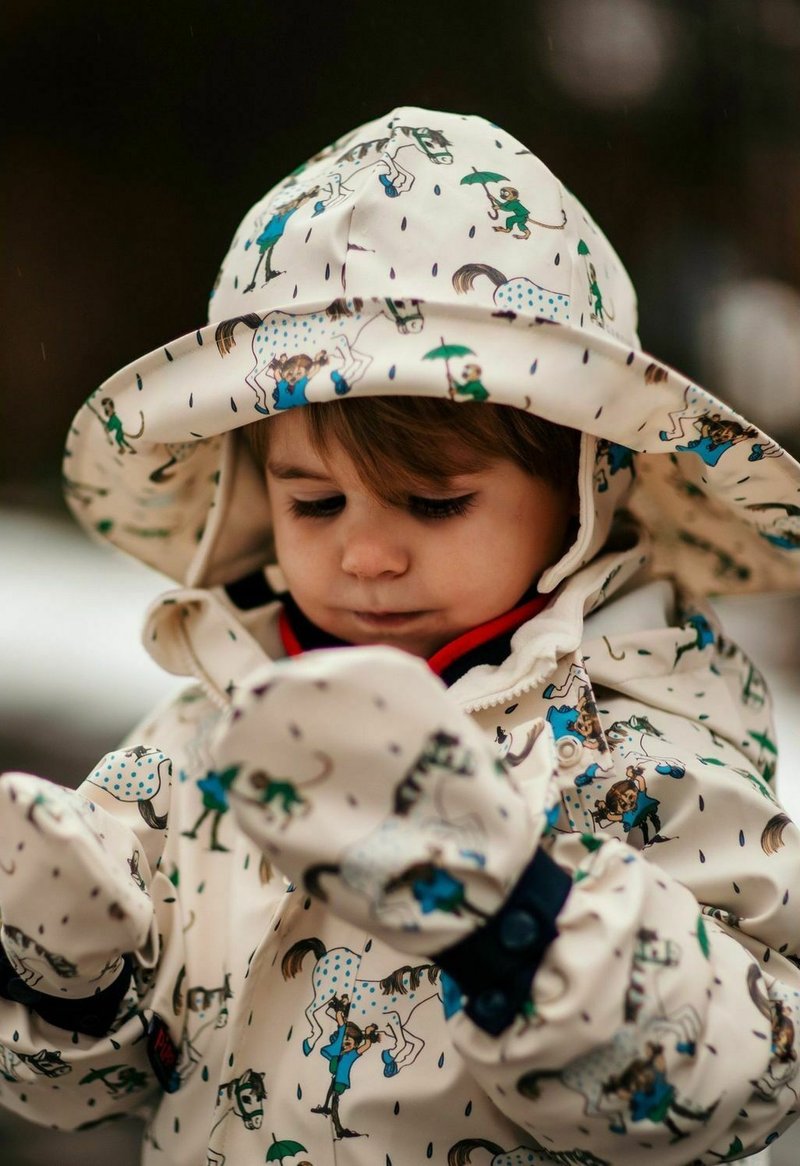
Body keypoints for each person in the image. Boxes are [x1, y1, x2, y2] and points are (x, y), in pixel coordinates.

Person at [2, 106, 800, 1166]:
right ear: (254, 490)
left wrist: (516, 920)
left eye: (430, 503)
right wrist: (66, 973)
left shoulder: (640, 728)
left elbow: (743, 1077)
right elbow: (88, 1094)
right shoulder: (207, 733)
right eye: (316, 505)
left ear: (579, 491)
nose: (364, 557)